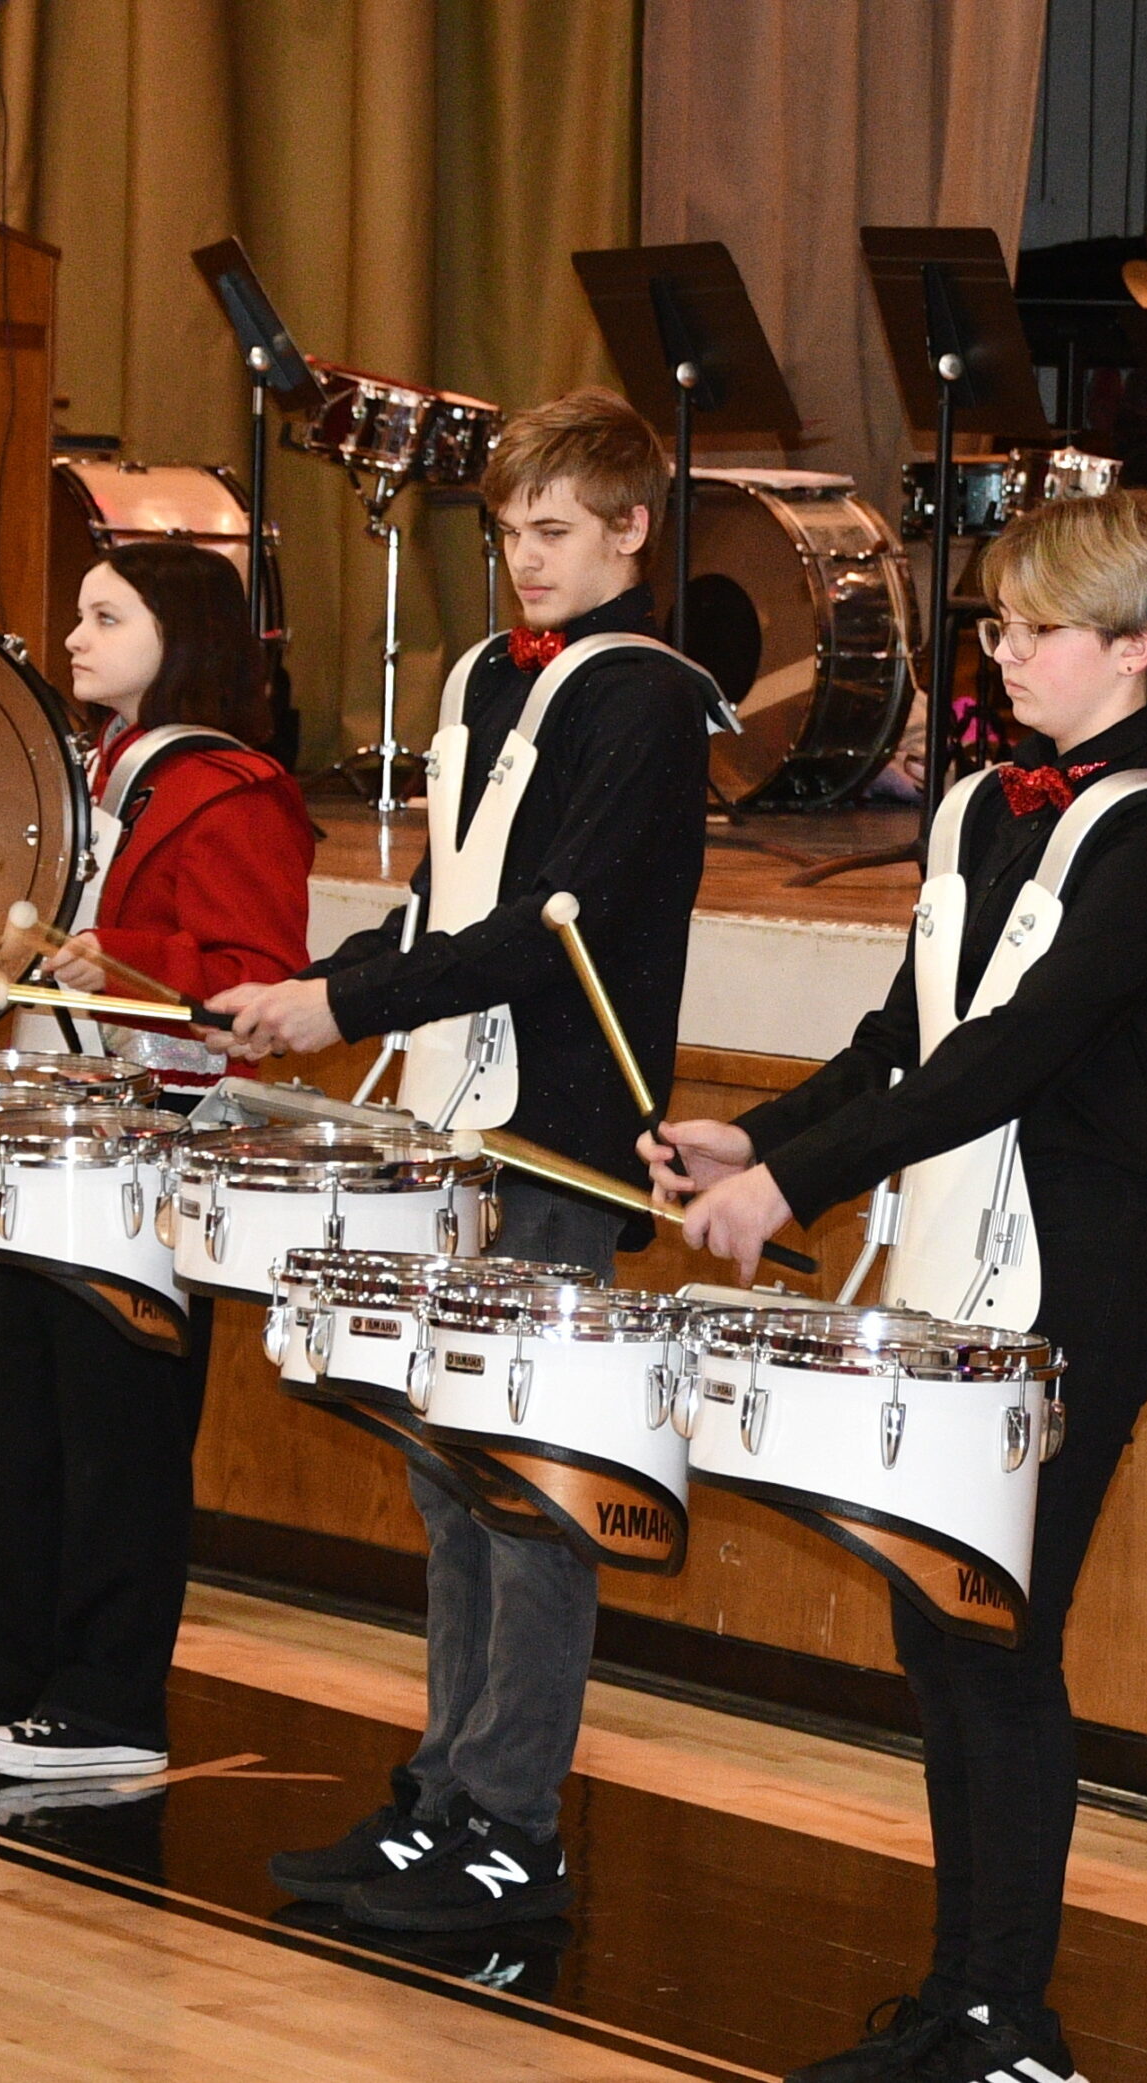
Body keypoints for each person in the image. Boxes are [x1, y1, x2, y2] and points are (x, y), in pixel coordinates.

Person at [647, 492, 1147, 2083]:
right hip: (947, 1263)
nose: (1003, 653)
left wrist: (798, 1183)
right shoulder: (980, 806)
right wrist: (754, 1132)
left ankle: (1013, 2018)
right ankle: (958, 1993)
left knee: (998, 1633)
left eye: (1036, 628)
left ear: (1137, 647)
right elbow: (906, 1029)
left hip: (1076, 1284)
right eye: (994, 624)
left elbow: (1021, 1049)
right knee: (935, 1628)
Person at [224, 389, 715, 1927]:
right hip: (450, 1117)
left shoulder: (642, 699)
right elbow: (450, 908)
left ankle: (511, 1828)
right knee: (448, 1476)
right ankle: (442, 1795)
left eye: (555, 530)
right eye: (507, 530)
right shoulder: (488, 683)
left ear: (632, 528)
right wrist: (321, 982)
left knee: (526, 1493)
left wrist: (338, 998)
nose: (525, 559)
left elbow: (549, 926)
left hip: (558, 1137)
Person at [0, 541, 314, 1779]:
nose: (77, 637)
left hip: (146, 1144)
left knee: (114, 1432)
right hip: (36, 1125)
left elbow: (254, 969)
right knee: (13, 1418)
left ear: (181, 634)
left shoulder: (230, 787)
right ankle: (11, 1663)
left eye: (108, 615)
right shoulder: (77, 776)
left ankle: (112, 1693)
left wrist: (117, 949)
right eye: (77, 612)